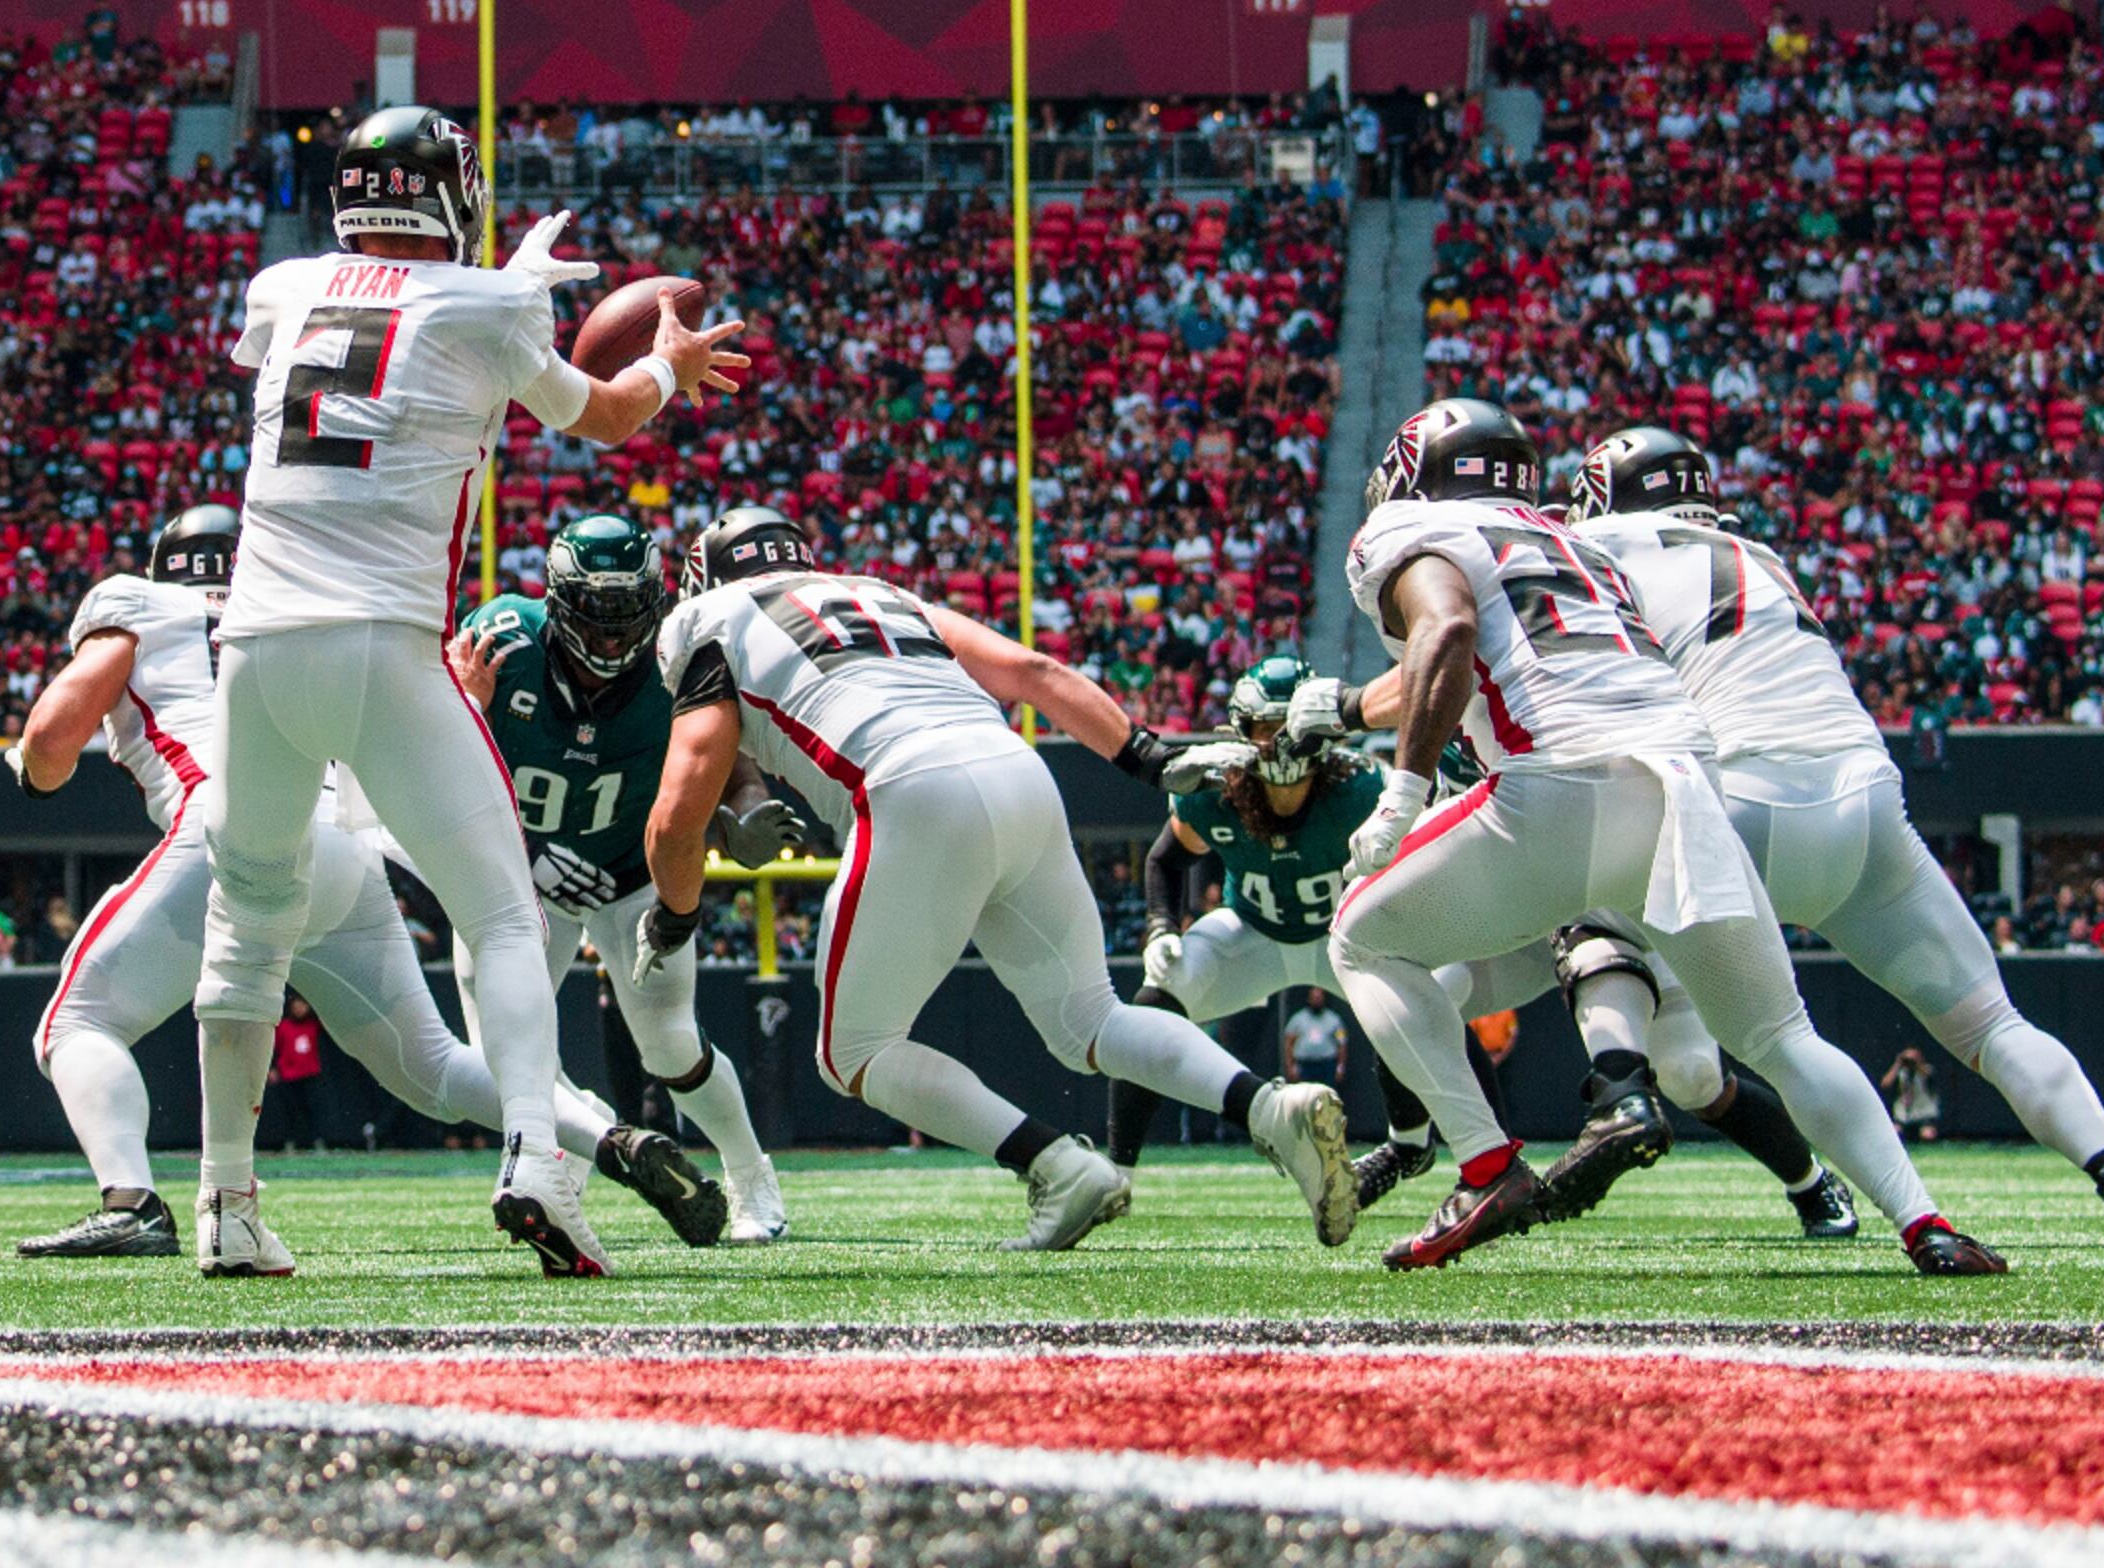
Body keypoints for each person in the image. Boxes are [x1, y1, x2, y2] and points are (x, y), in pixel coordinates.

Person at [196, 106, 746, 1280]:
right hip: (384, 644)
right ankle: (539, 1162)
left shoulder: (280, 286)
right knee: (502, 914)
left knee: (245, 926)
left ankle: (225, 1206)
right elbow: (601, 417)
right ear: (455, 193)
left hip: (251, 647)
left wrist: (493, 300)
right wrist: (667, 363)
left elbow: (380, 340)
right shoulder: (491, 304)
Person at [1320, 400, 2002, 1274]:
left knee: (1362, 938)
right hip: (1685, 784)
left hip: (1559, 783)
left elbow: (1446, 630)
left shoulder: (1406, 527)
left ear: (1414, 470)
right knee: (1781, 1034)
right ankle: (1927, 1225)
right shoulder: (1568, 538)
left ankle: (1487, 1167)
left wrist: (1401, 795)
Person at [4, 505, 726, 1263]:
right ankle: (606, 1139)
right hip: (341, 845)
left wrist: (28, 765)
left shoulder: (140, 604)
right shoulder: (286, 604)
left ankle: (133, 1200)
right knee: (435, 1065)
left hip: (232, 824)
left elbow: (53, 745)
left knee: (76, 1022)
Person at [637, 506, 1356, 1254]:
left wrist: (675, 917)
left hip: (905, 791)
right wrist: (1144, 755)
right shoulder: (878, 593)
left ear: (704, 579)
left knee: (851, 1054)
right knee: (1092, 1020)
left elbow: (678, 815)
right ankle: (1269, 1107)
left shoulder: (708, 620)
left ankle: (1055, 1165)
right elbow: (1031, 671)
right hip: (1017, 770)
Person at [1564, 426, 2104, 1247]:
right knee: (1992, 1025)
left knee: (1643, 954)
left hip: (1741, 808)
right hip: (1865, 801)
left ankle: (1910, 1216)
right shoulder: (1758, 553)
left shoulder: (1598, 542)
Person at [448, 515, 788, 1242]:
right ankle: (595, 1132)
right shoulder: (502, 639)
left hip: (633, 872)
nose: (610, 637)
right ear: (560, 604)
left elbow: (726, 759)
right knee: (495, 1052)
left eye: (626, 615)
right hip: (519, 876)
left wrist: (748, 810)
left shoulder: (676, 657)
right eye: (595, 617)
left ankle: (752, 1174)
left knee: (669, 1043)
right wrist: (462, 708)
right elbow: (441, 767)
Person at [1105, 659, 1444, 1212]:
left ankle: (1412, 1145)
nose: (1279, 745)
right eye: (1265, 730)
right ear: (1241, 730)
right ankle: (1114, 1170)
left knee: (1418, 1003)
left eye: (1289, 728)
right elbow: (1165, 860)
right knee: (1149, 1008)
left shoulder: (1362, 790)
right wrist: (1161, 926)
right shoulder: (1211, 792)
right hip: (1251, 934)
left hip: (1343, 940)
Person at [267, 995, 328, 1153]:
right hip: (289, 1075)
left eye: (303, 1005)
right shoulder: (283, 1027)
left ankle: (317, 1142)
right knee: (290, 1111)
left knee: (313, 1110)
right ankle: (290, 1144)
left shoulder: (314, 1026)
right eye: (296, 1006)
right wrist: (273, 1069)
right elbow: (274, 1049)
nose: (300, 1009)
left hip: (310, 1074)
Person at [1883, 1047, 1945, 1143]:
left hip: (1924, 1112)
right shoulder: (1901, 1073)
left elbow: (1927, 1074)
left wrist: (1917, 1064)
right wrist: (1898, 1064)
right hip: (1904, 1113)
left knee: (1927, 1135)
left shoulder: (1927, 1069)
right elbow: (1885, 1084)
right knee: (1895, 1132)